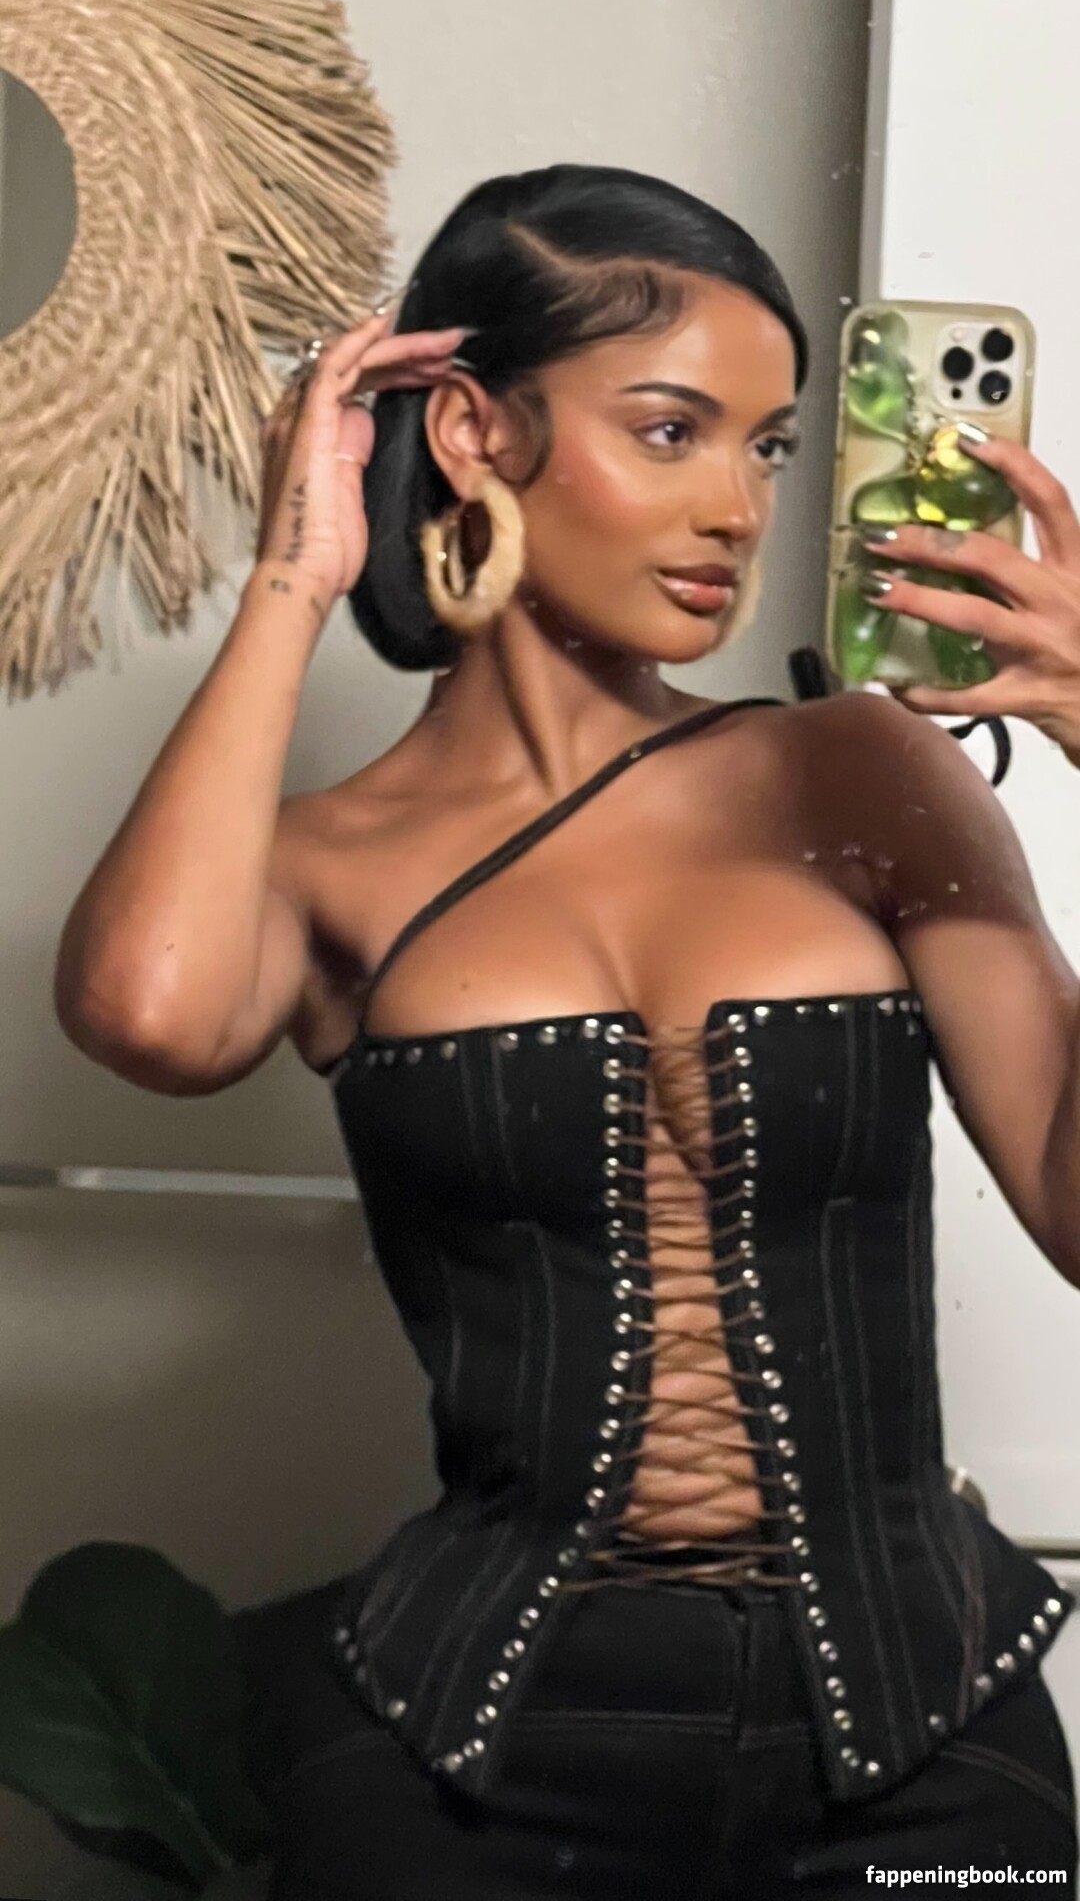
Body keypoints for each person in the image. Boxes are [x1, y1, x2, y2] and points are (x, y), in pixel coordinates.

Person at [54, 164, 1080, 1898]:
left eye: (768, 446)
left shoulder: (859, 773)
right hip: (477, 1745)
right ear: (474, 430)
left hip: (920, 1723)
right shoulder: (326, 864)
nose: (738, 509)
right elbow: (144, 1016)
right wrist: (295, 575)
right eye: (671, 430)